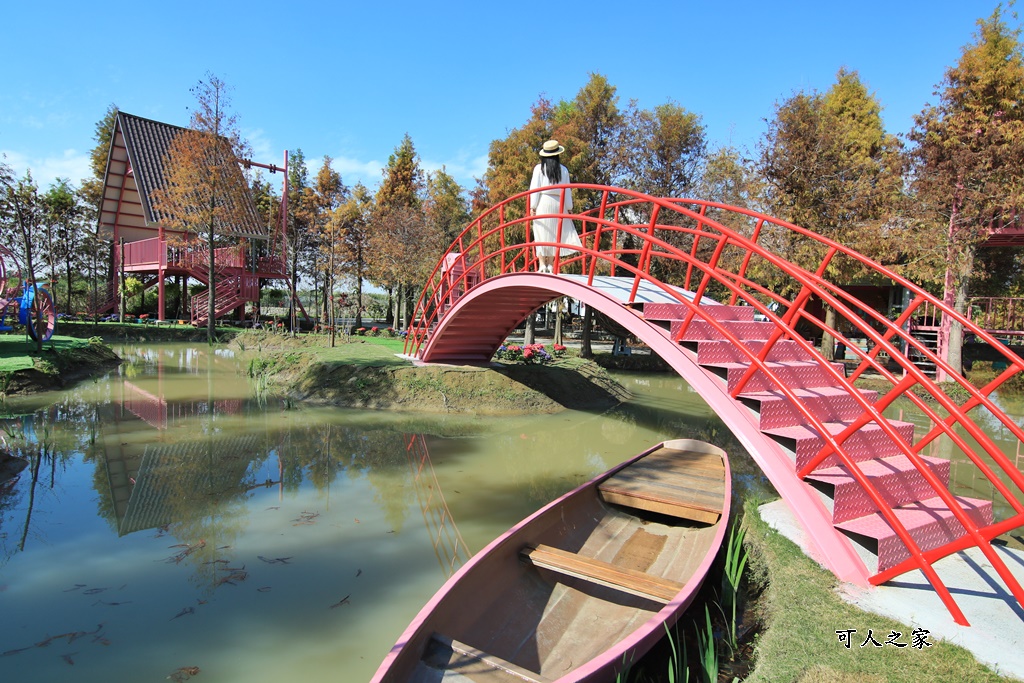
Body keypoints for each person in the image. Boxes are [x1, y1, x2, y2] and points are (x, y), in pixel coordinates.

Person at [529, 140, 583, 273]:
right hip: (559, 203)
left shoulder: (539, 168)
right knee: (554, 233)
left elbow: (534, 189)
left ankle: (542, 264)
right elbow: (567, 190)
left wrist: (533, 206)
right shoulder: (563, 170)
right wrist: (569, 206)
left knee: (541, 232)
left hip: (544, 201)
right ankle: (551, 265)